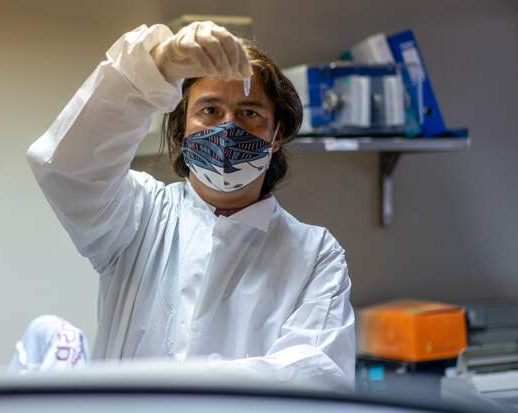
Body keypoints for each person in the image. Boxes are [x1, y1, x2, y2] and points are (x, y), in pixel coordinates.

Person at [26, 21, 355, 391]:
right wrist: (154, 69)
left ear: (276, 135)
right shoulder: (138, 213)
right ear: (181, 129)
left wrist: (165, 386)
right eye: (210, 110)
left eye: (250, 113)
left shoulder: (315, 254)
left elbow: (316, 377)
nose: (228, 129)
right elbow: (67, 167)